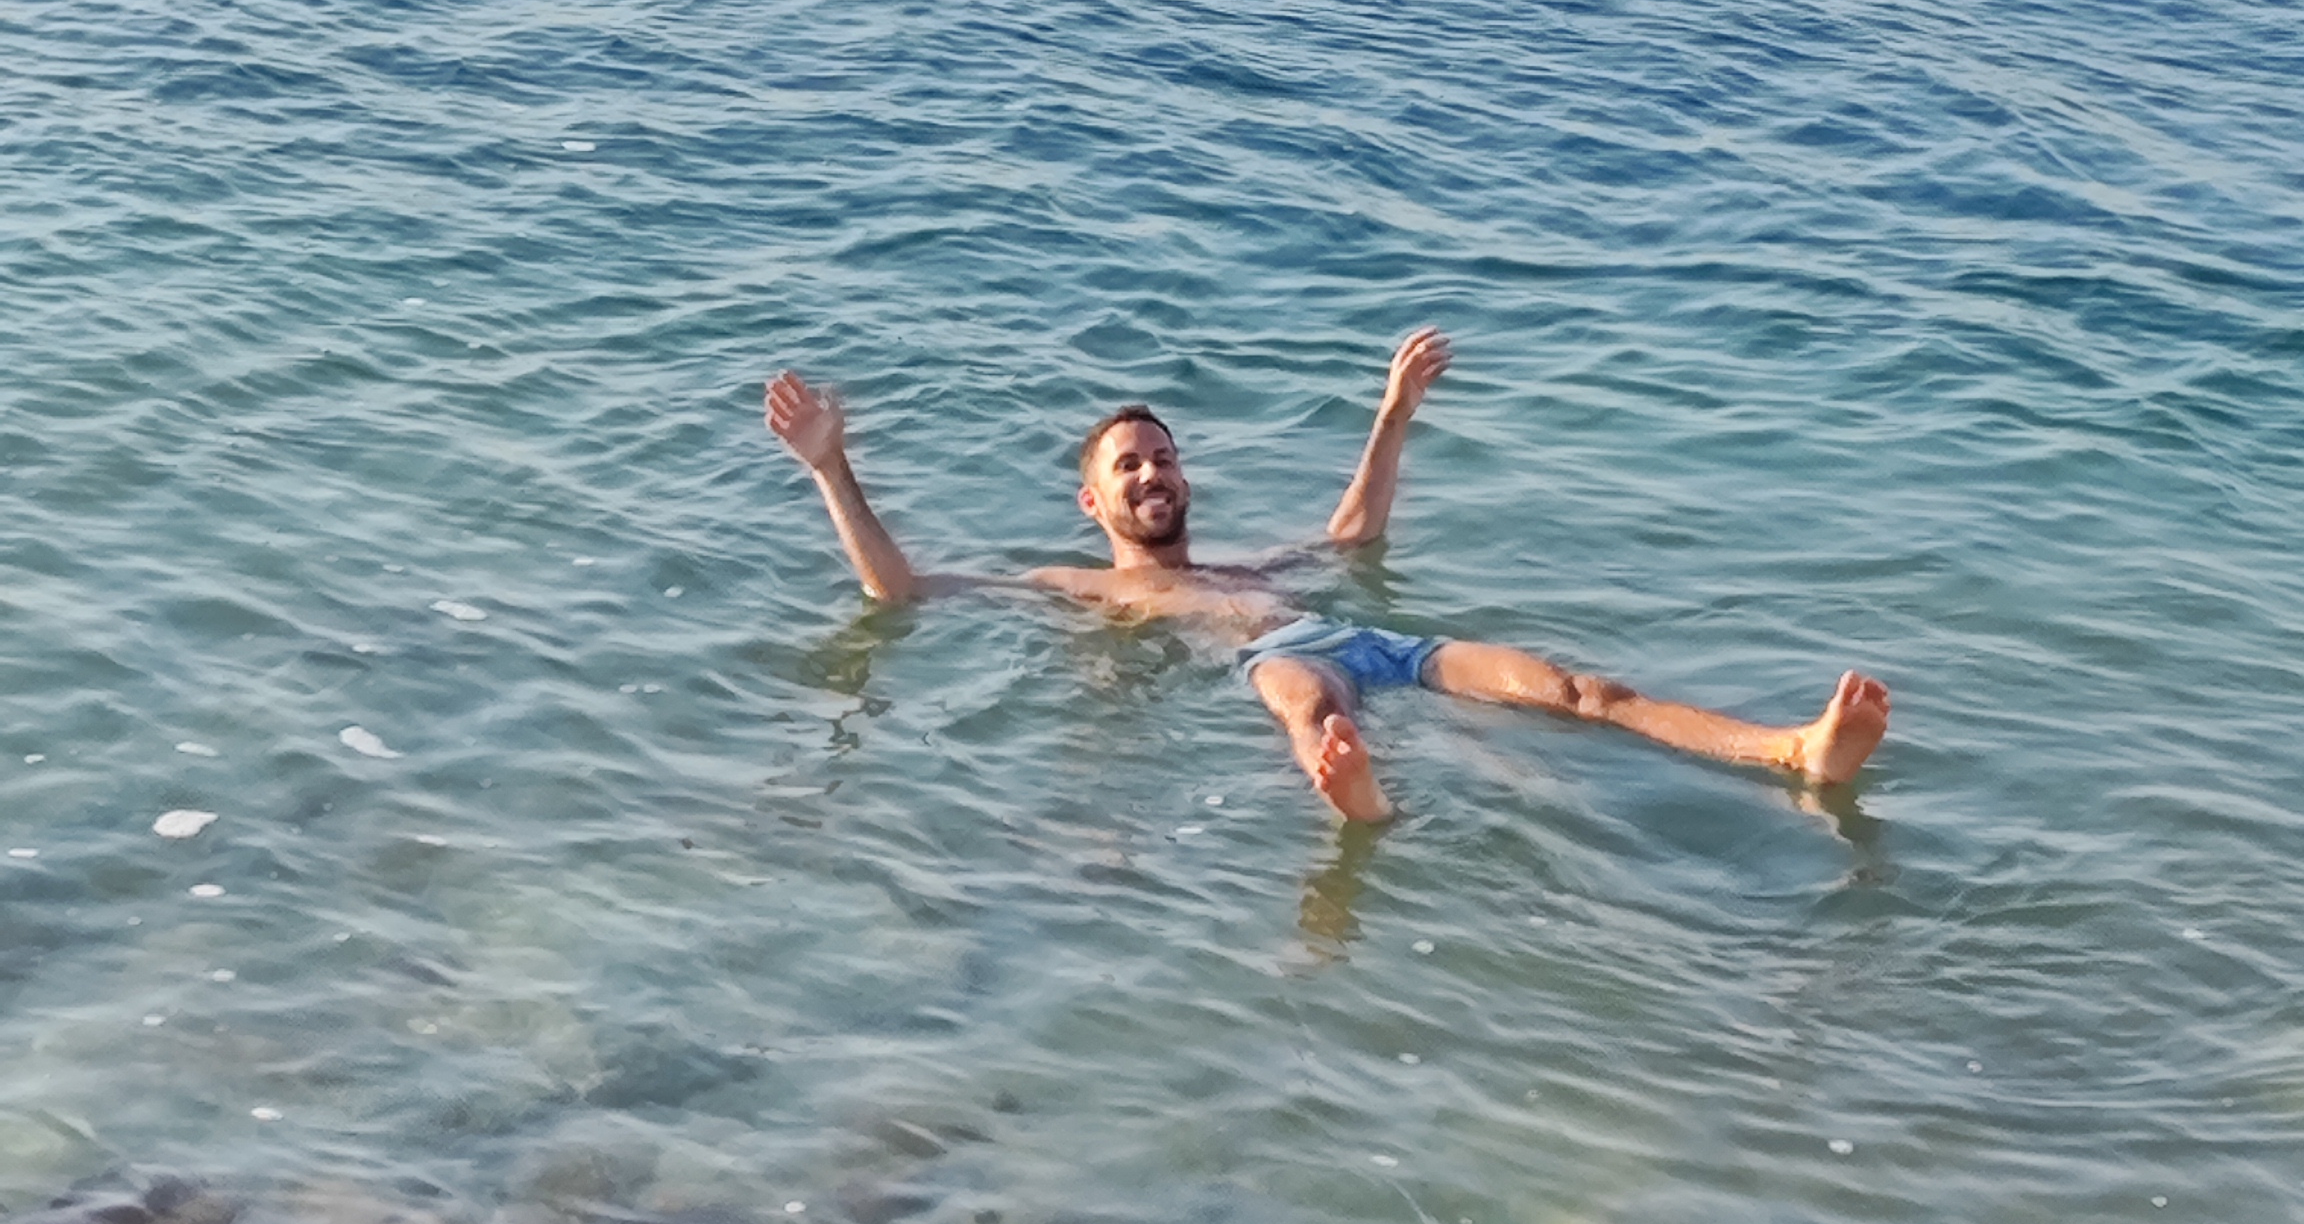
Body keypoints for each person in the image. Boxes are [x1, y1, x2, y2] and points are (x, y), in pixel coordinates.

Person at [764, 331, 1890, 826]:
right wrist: (833, 467)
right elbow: (903, 593)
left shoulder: (1249, 561)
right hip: (1275, 661)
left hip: (1373, 643)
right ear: (1094, 503)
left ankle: (1786, 751)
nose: (1154, 472)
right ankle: (1354, 801)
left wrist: (1393, 413)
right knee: (1309, 704)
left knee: (1574, 688)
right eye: (1129, 465)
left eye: (1164, 455)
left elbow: (1350, 536)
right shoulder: (1083, 587)